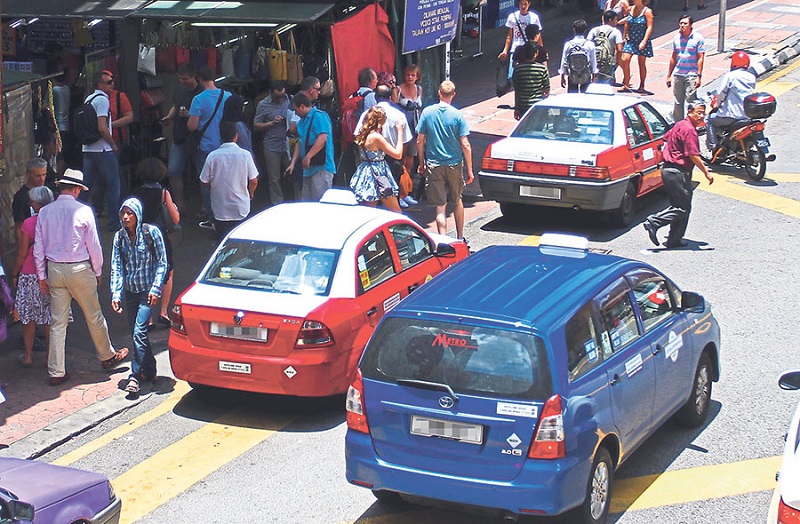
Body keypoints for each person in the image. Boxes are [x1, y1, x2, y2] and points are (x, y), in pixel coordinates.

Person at [33, 169, 129, 386]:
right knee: (93, 314)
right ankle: (106, 356)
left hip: (55, 269)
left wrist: (41, 275)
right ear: (77, 189)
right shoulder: (84, 210)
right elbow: (93, 245)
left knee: (58, 322)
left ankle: (56, 371)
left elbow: (38, 247)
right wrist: (98, 271)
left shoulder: (45, 212)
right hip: (79, 268)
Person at [110, 197, 168, 396]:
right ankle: (150, 369)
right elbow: (116, 267)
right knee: (139, 333)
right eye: (123, 213)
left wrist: (155, 289)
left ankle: (134, 376)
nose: (126, 217)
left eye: (130, 213)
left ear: (138, 215)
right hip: (130, 292)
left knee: (138, 333)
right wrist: (116, 294)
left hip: (147, 292)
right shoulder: (119, 238)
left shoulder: (151, 233)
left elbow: (162, 263)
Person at [643, 102, 714, 249]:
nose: (701, 116)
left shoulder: (680, 124)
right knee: (682, 208)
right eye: (698, 113)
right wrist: (706, 172)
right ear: (689, 112)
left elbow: (666, 137)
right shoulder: (689, 130)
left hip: (670, 171)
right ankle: (654, 222)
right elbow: (693, 155)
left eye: (703, 113)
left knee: (682, 206)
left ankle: (675, 239)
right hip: (677, 172)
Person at [416, 80, 474, 241]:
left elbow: (420, 140)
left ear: (439, 93)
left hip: (434, 164)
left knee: (440, 207)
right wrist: (469, 169)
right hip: (454, 164)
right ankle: (460, 237)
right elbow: (465, 144)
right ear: (453, 95)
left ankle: (443, 240)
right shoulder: (458, 115)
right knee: (457, 200)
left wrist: (421, 162)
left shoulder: (427, 113)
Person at [130, 158, 180, 328]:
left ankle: (148, 316)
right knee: (167, 273)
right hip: (159, 237)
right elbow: (175, 218)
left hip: (140, 238)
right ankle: (163, 312)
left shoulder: (135, 193)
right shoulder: (163, 193)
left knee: (145, 276)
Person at [11, 186, 54, 368]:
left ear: (36, 204)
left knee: (28, 318)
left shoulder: (29, 223)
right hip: (50, 272)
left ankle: (28, 356)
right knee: (50, 318)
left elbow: (22, 252)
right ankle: (51, 358)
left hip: (29, 272)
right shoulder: (54, 221)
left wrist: (14, 272)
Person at [187, 65, 232, 227]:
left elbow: (192, 127)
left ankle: (213, 219)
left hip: (206, 147)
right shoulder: (228, 96)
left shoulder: (198, 100)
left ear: (199, 79)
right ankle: (228, 217)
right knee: (226, 181)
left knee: (207, 183)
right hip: (226, 145)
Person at [354, 85, 414, 206]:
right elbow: (399, 151)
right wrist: (399, 132)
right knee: (395, 209)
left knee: (370, 208)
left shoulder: (366, 116)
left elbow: (356, 136)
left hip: (367, 168)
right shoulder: (397, 117)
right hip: (382, 169)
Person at [200, 122, 259, 239]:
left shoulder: (212, 156)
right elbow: (253, 180)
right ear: (236, 136)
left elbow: (204, 181)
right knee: (241, 239)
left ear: (220, 136)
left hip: (220, 207)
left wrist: (214, 188)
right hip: (241, 206)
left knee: (222, 240)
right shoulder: (245, 155)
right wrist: (251, 193)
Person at [160, 63, 202, 215]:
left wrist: (191, 114)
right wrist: (169, 117)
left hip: (197, 137)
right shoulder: (179, 91)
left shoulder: (201, 92)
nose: (182, 81)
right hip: (179, 136)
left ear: (194, 77)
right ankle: (179, 204)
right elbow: (175, 106)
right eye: (180, 79)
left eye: (185, 79)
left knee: (203, 172)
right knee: (173, 170)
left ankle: (204, 205)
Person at [82, 70, 121, 231]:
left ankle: (78, 219)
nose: (112, 84)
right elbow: (102, 128)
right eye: (109, 82)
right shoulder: (103, 101)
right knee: (113, 185)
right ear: (100, 85)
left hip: (88, 148)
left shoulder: (88, 99)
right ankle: (113, 222)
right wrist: (113, 144)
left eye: (112, 81)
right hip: (102, 149)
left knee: (86, 186)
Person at [350, 107, 404, 211]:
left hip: (365, 172)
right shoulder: (376, 137)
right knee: (396, 212)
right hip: (378, 173)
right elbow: (398, 154)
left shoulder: (362, 135)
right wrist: (400, 132)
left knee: (369, 211)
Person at [288, 94, 335, 201]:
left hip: (321, 168)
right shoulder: (302, 121)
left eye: (296, 110)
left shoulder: (319, 116)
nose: (295, 113)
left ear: (302, 106)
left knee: (320, 203)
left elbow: (323, 137)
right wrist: (293, 162)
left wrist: (308, 156)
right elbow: (300, 142)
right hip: (308, 169)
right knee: (307, 203)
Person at [706, 51, 756, 151]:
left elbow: (721, 93)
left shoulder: (731, 75)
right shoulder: (752, 77)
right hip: (747, 115)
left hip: (731, 115)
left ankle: (713, 146)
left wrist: (717, 103)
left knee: (708, 120)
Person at [253, 81, 293, 206]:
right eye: (277, 97)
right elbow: (256, 125)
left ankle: (295, 199)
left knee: (294, 173)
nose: (281, 99)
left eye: (282, 96)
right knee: (274, 177)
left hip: (289, 144)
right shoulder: (263, 104)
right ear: (271, 93)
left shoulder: (291, 100)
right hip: (272, 145)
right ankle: (277, 203)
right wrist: (271, 123)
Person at [667, 16, 705, 122]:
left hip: (691, 74)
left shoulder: (698, 38)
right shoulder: (676, 38)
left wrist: (699, 76)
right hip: (679, 74)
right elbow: (673, 57)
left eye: (685, 23)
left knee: (691, 101)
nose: (682, 26)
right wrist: (669, 75)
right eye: (681, 23)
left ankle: (692, 123)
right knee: (678, 102)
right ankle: (679, 124)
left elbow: (700, 57)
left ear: (690, 25)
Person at [498, 0, 543, 79]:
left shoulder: (534, 17)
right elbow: (509, 36)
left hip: (529, 50)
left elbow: (538, 35)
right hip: (516, 49)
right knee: (513, 76)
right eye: (521, 4)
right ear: (518, 4)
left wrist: (541, 49)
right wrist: (505, 50)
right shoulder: (512, 17)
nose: (523, 6)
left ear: (529, 4)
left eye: (525, 4)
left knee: (528, 75)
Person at [398, 64, 424, 199]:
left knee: (409, 162)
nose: (410, 77)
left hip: (415, 131)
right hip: (402, 131)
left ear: (417, 77)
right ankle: (399, 194)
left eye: (413, 75)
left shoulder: (419, 89)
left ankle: (406, 192)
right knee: (400, 162)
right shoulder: (398, 90)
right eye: (408, 74)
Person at [12, 158, 48, 249]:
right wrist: (22, 251)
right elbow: (19, 227)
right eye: (38, 176)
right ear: (28, 174)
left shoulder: (47, 192)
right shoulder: (21, 197)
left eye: (44, 175)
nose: (42, 179)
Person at [619, 0, 654, 94]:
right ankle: (626, 83)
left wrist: (644, 41)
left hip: (642, 39)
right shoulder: (630, 9)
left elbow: (649, 27)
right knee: (625, 59)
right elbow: (627, 22)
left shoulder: (647, 11)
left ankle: (642, 85)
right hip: (631, 40)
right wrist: (624, 35)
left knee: (641, 63)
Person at [513, 41, 550, 120]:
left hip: (522, 105)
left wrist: (516, 108)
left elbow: (517, 90)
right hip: (537, 104)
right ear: (536, 53)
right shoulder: (542, 69)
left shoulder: (518, 69)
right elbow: (547, 89)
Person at [559, 19, 598, 94]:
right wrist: (594, 74)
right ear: (585, 30)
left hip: (572, 74)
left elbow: (563, 61)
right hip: (586, 74)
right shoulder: (589, 44)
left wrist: (562, 76)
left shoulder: (568, 44)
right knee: (585, 95)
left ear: (574, 30)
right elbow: (593, 60)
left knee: (572, 96)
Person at [588, 11, 624, 85]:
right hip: (608, 63)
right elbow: (619, 49)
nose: (616, 22)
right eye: (616, 19)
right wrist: (617, 62)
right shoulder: (616, 32)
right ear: (610, 20)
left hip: (595, 60)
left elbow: (587, 45)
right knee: (607, 85)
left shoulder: (594, 30)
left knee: (595, 83)